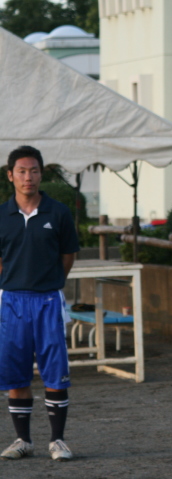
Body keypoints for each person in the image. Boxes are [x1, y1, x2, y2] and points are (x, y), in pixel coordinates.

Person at [0, 146, 79, 461]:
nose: (28, 177)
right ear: (10, 175)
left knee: (55, 371)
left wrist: (51, 281)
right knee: (15, 372)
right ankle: (23, 440)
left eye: (33, 171)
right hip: (11, 303)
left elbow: (68, 256)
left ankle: (57, 441)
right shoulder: (1, 215)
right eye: (21, 171)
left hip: (48, 300)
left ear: (41, 174)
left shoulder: (58, 212)